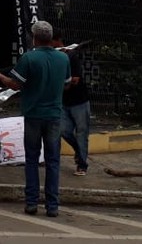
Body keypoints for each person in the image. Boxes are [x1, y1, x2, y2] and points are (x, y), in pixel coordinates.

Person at [0, 20, 70, 218]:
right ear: (50, 38)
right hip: (54, 116)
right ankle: (52, 206)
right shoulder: (63, 59)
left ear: (35, 38)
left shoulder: (29, 58)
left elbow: (14, 85)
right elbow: (66, 84)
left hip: (33, 115)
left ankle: (31, 203)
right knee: (53, 161)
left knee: (32, 160)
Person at [57, 31, 90, 177]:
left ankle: (82, 164)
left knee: (82, 133)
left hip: (79, 101)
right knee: (63, 130)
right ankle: (78, 151)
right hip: (64, 101)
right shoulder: (55, 57)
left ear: (57, 41)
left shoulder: (71, 56)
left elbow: (75, 79)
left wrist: (61, 85)